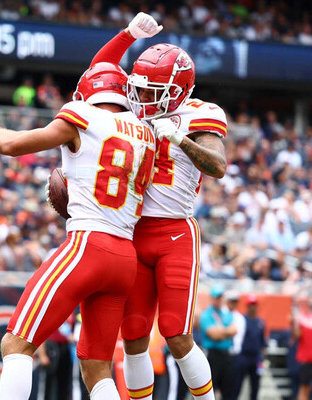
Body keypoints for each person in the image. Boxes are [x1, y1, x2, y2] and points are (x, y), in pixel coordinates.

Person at [0, 61, 156, 400]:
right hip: (125, 256)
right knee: (97, 369)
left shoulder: (82, 114)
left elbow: (13, 145)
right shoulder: (146, 132)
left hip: (87, 244)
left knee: (15, 343)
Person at [90, 12, 227, 400]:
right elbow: (97, 70)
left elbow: (218, 166)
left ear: (180, 89)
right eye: (140, 89)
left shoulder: (200, 114)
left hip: (174, 233)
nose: (143, 98)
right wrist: (128, 35)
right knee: (133, 334)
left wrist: (182, 141)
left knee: (176, 332)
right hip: (131, 232)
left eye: (154, 91)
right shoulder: (133, 108)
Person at [199, 285, 237, 400]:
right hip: (212, 355)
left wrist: (221, 331)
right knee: (211, 390)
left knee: (228, 390)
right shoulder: (206, 314)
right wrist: (226, 332)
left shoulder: (226, 313)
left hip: (226, 355)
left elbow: (234, 330)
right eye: (217, 297)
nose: (219, 300)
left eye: (221, 297)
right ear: (212, 298)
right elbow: (214, 335)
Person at [234, 294, 266, 400]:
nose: (252, 307)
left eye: (254, 304)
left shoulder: (260, 322)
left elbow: (262, 342)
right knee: (237, 385)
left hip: (256, 357)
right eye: (251, 304)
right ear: (247, 306)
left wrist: (262, 360)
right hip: (243, 356)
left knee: (255, 387)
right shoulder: (241, 319)